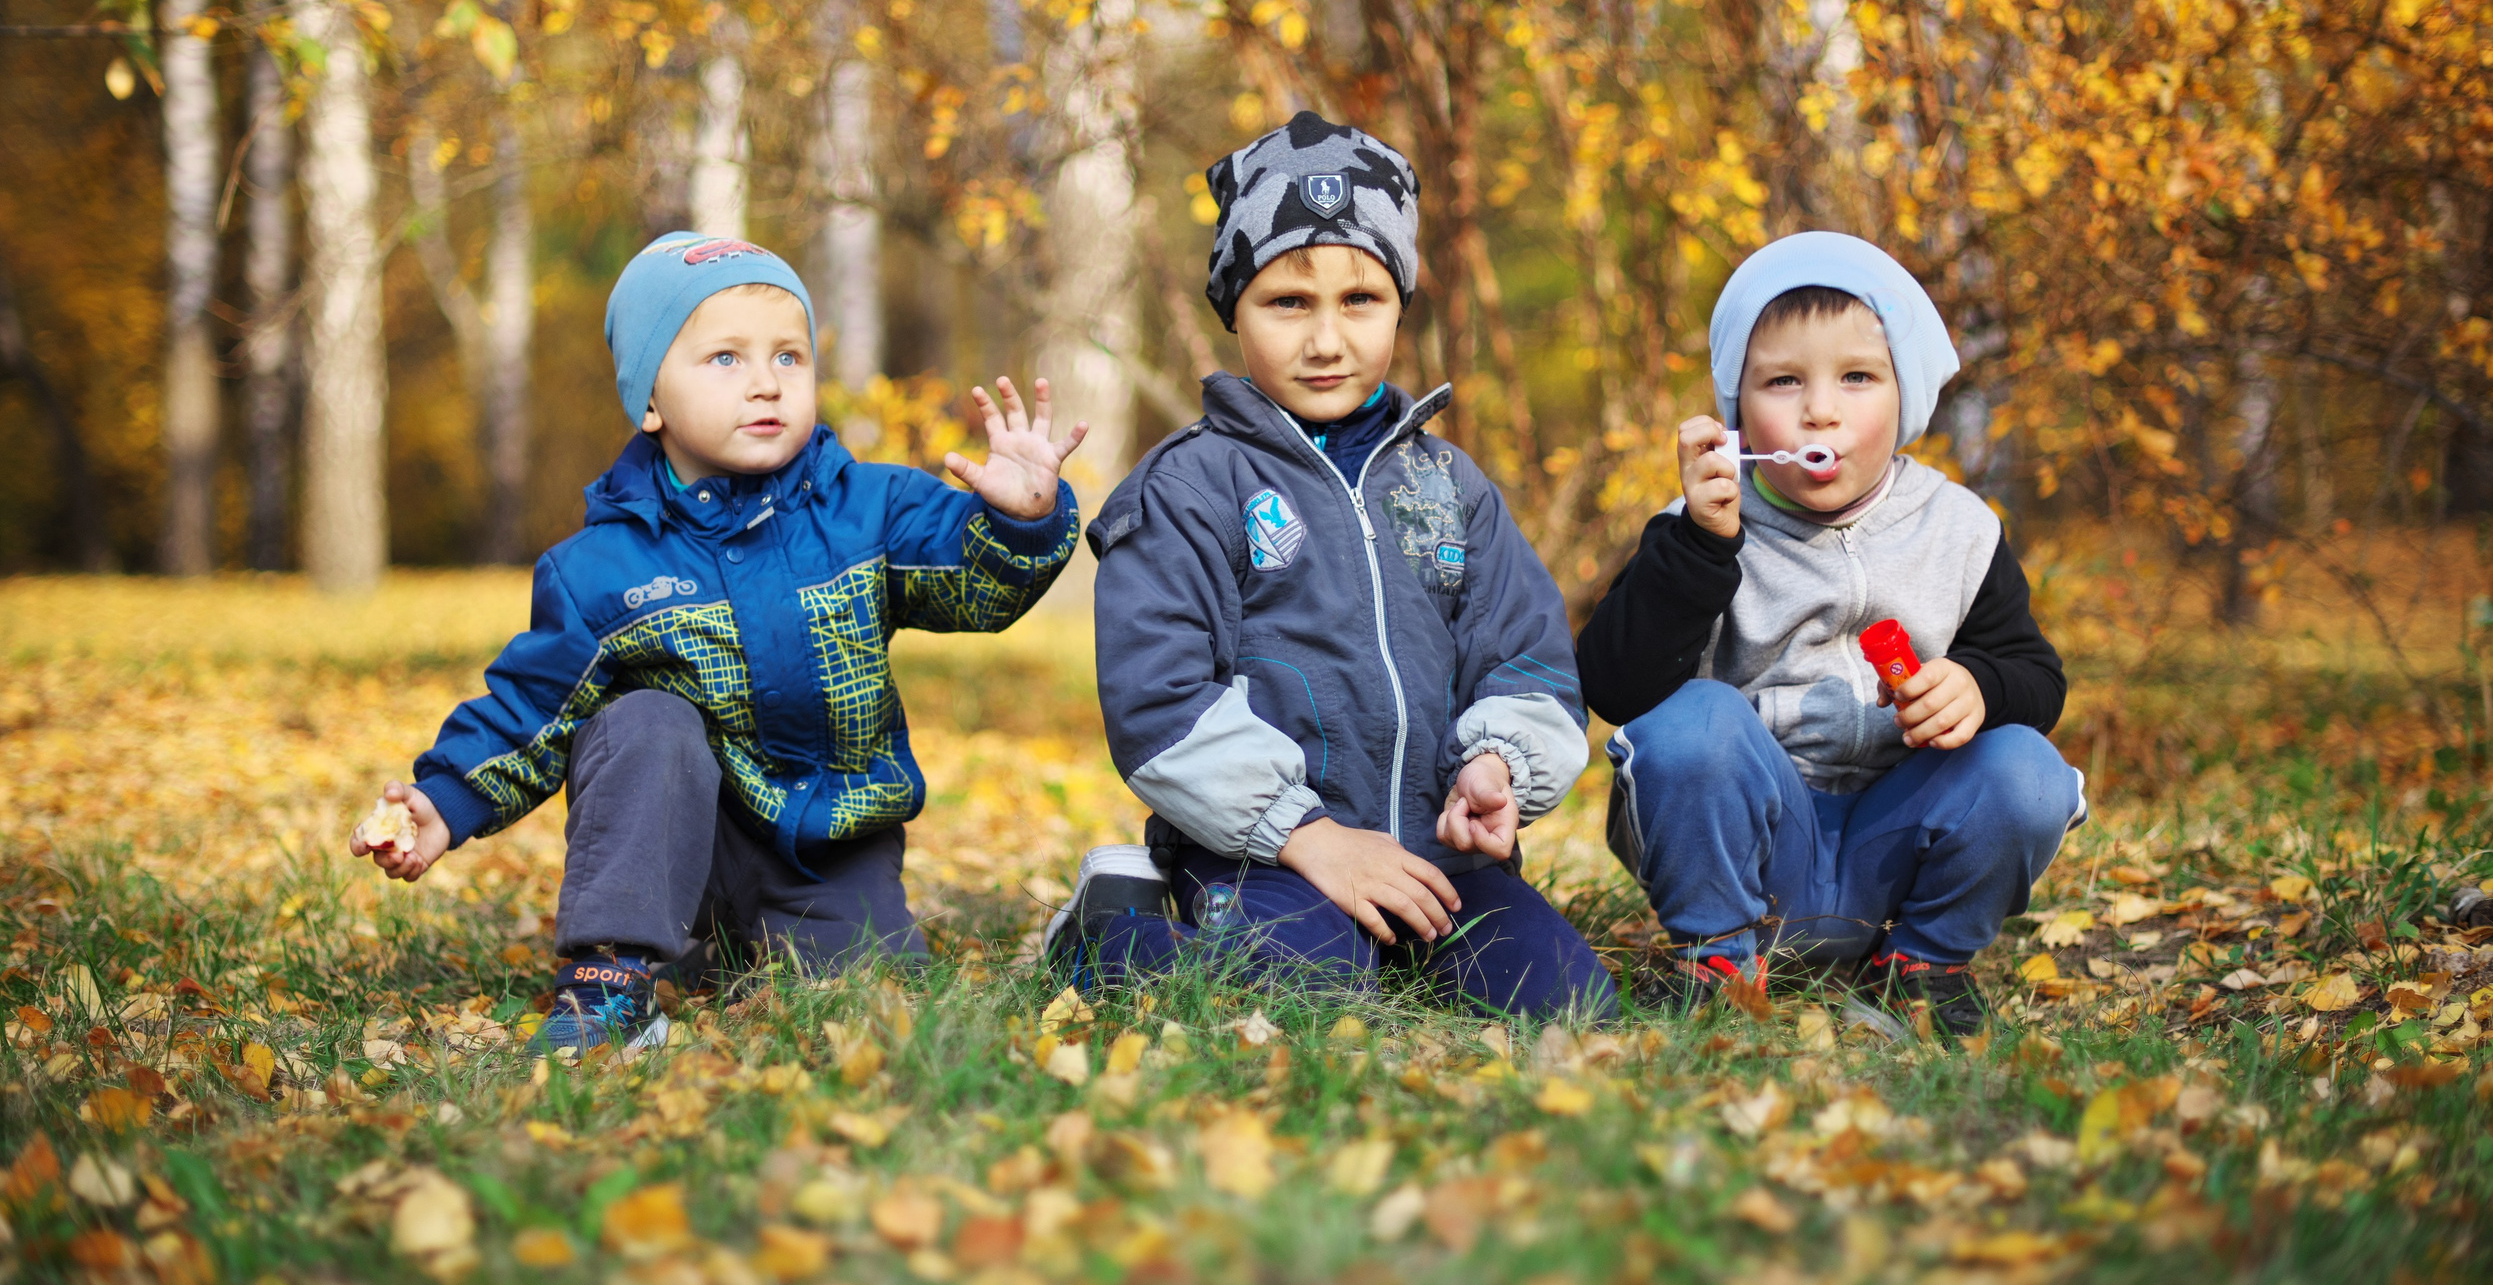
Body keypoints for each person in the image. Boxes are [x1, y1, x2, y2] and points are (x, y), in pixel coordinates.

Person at [350, 232, 1086, 1053]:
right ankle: (611, 973)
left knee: (875, 999)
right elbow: (532, 707)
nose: (767, 381)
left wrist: (1021, 521)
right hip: (677, 846)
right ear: (650, 402)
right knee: (646, 721)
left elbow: (974, 586)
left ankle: (736, 949)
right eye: (726, 358)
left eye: (789, 356)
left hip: (828, 848)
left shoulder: (869, 510)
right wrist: (447, 800)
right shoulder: (602, 568)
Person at [1050, 113, 1614, 1019]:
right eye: (1288, 302)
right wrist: (1308, 835)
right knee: (1306, 997)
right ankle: (1112, 932)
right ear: (1234, 308)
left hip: (1441, 859)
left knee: (1566, 1003)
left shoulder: (1448, 486)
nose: (1326, 339)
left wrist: (1497, 763)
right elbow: (1159, 700)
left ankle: (1413, 940)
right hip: (1264, 852)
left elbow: (1531, 660)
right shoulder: (1190, 487)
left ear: (1399, 303)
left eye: (1360, 300)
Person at [1574, 231, 2083, 1032]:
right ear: (1737, 411)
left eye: (1857, 376)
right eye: (1784, 380)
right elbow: (1614, 686)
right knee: (1692, 721)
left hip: (1899, 842)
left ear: (1906, 394)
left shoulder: (1958, 529)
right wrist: (1700, 548)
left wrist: (1980, 686)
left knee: (2027, 768)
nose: (1820, 409)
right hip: (1759, 853)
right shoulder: (1700, 527)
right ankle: (1718, 958)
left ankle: (1921, 962)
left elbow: (2037, 676)